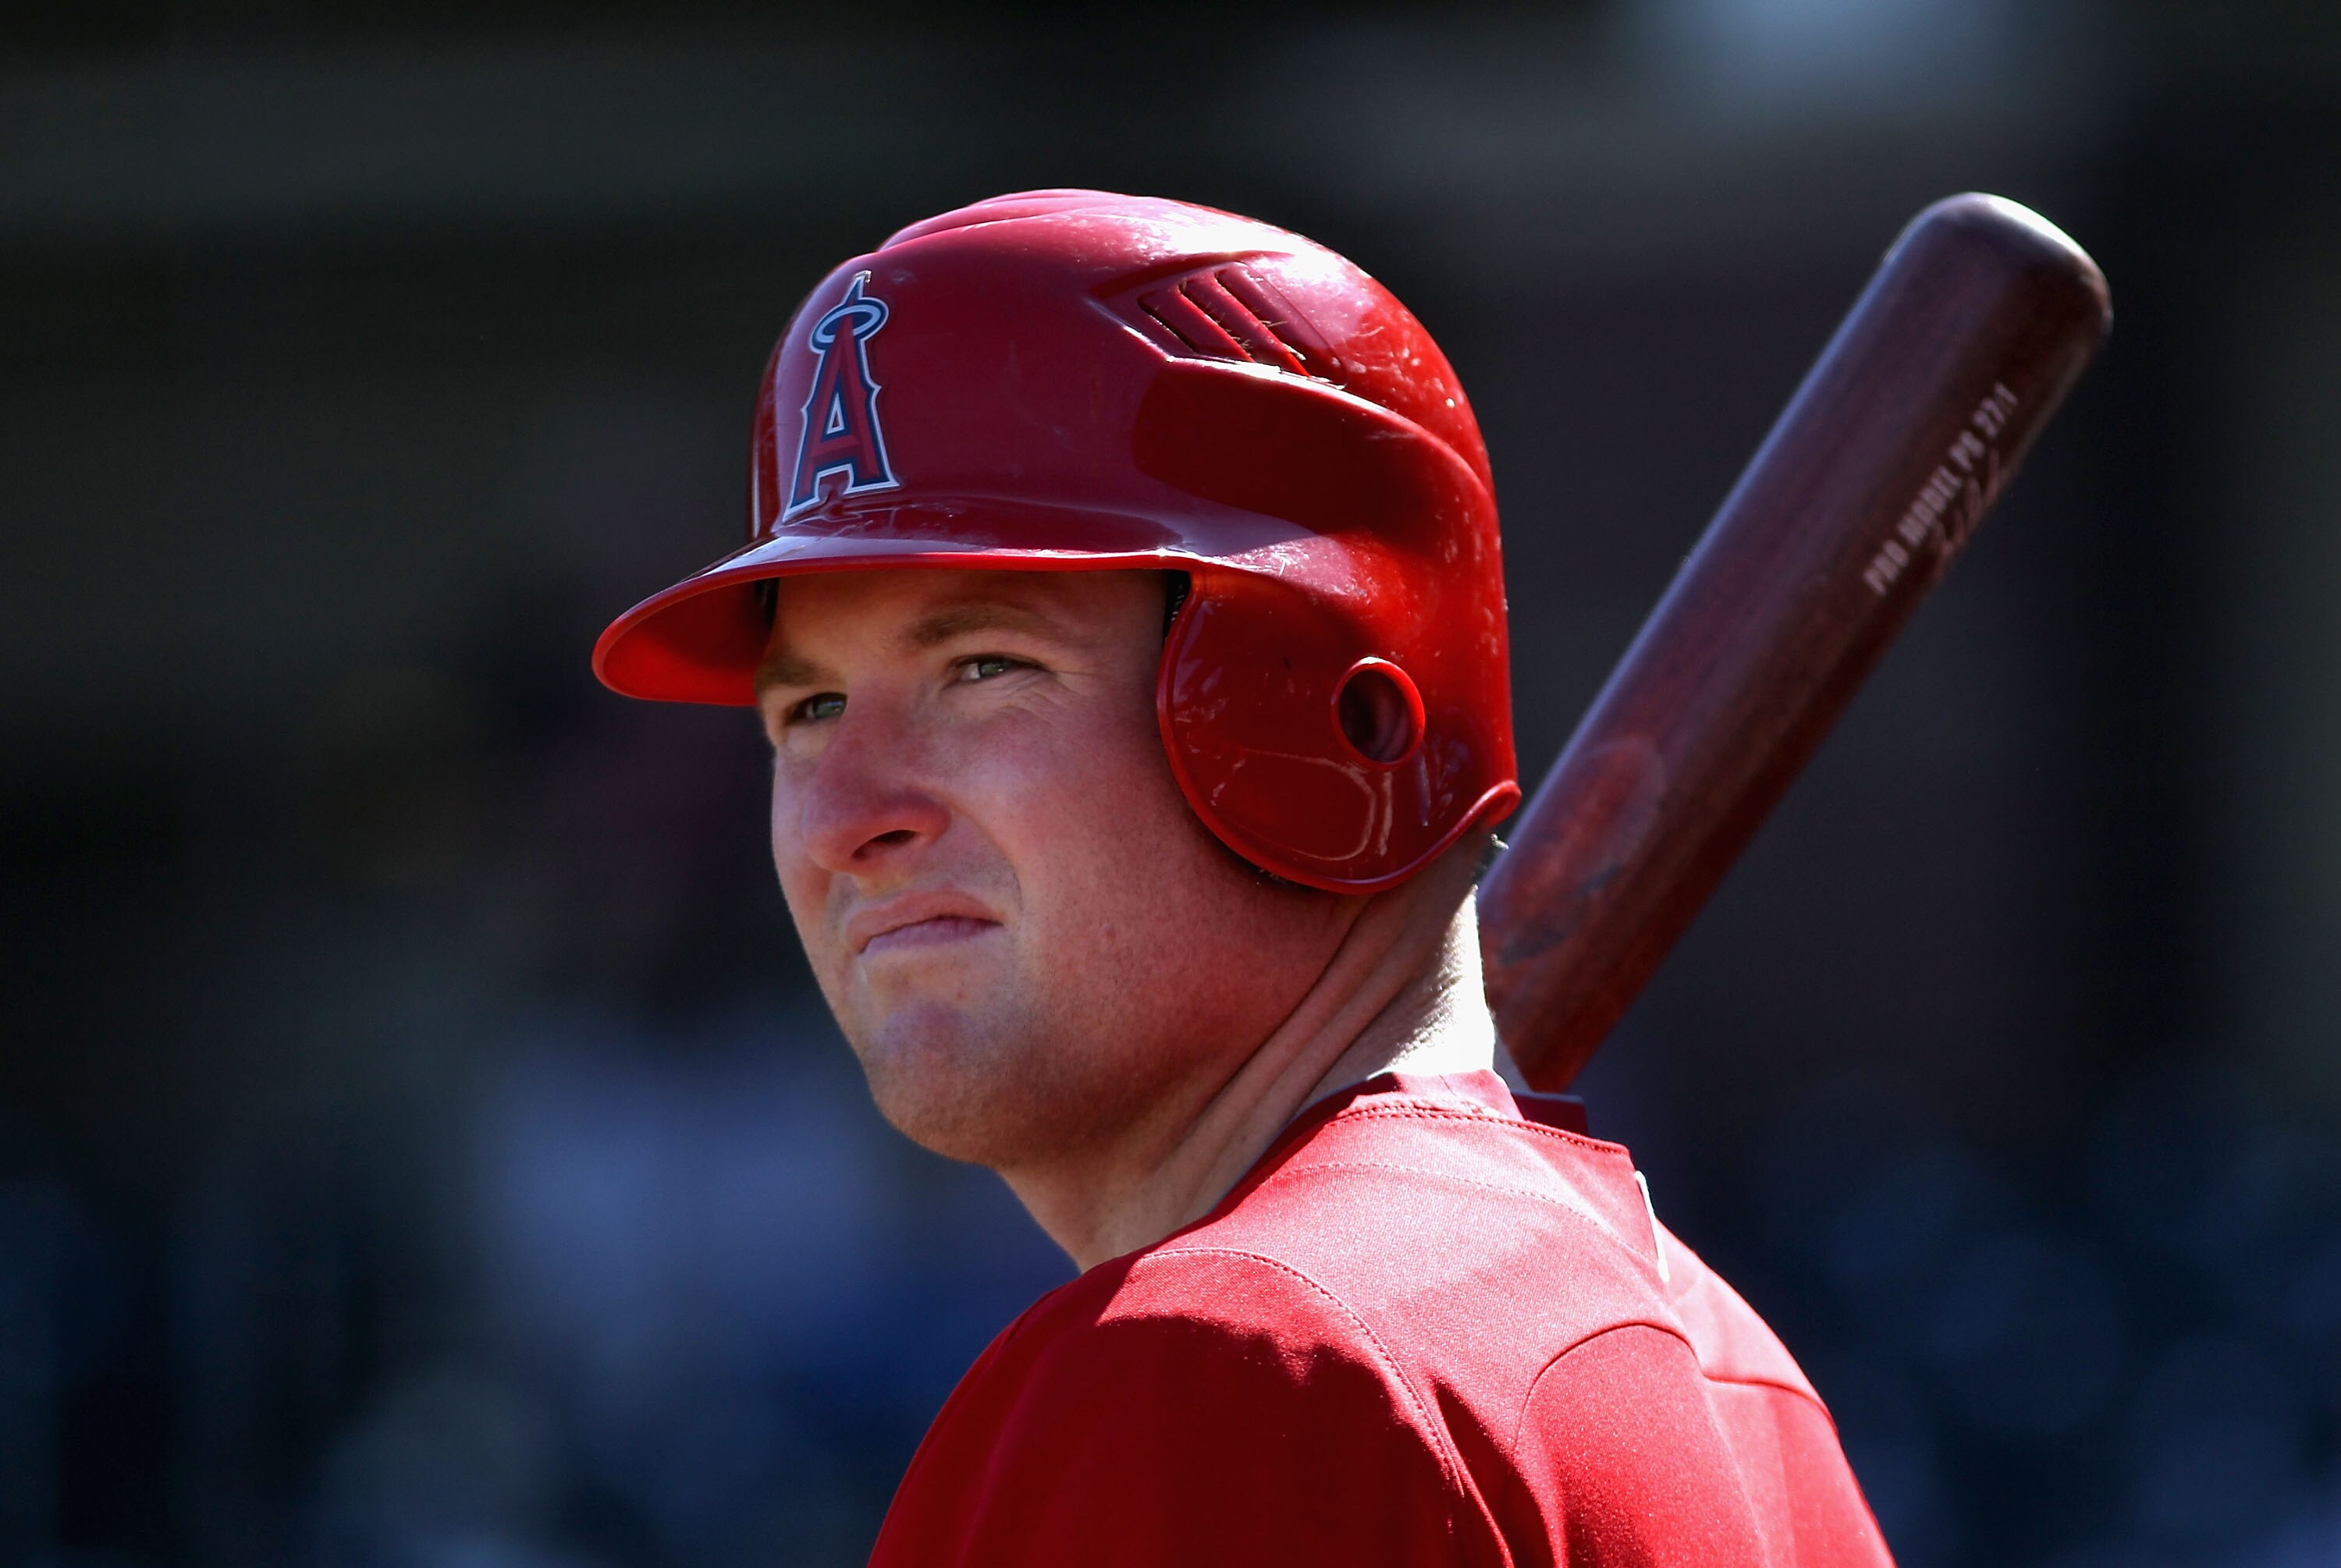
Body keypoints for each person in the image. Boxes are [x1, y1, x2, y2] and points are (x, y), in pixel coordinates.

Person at [593, 190, 1893, 1566]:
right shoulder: (1730, 1373)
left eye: (984, 669)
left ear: (1337, 709)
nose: (847, 817)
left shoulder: (1231, 1366)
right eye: (806, 712)